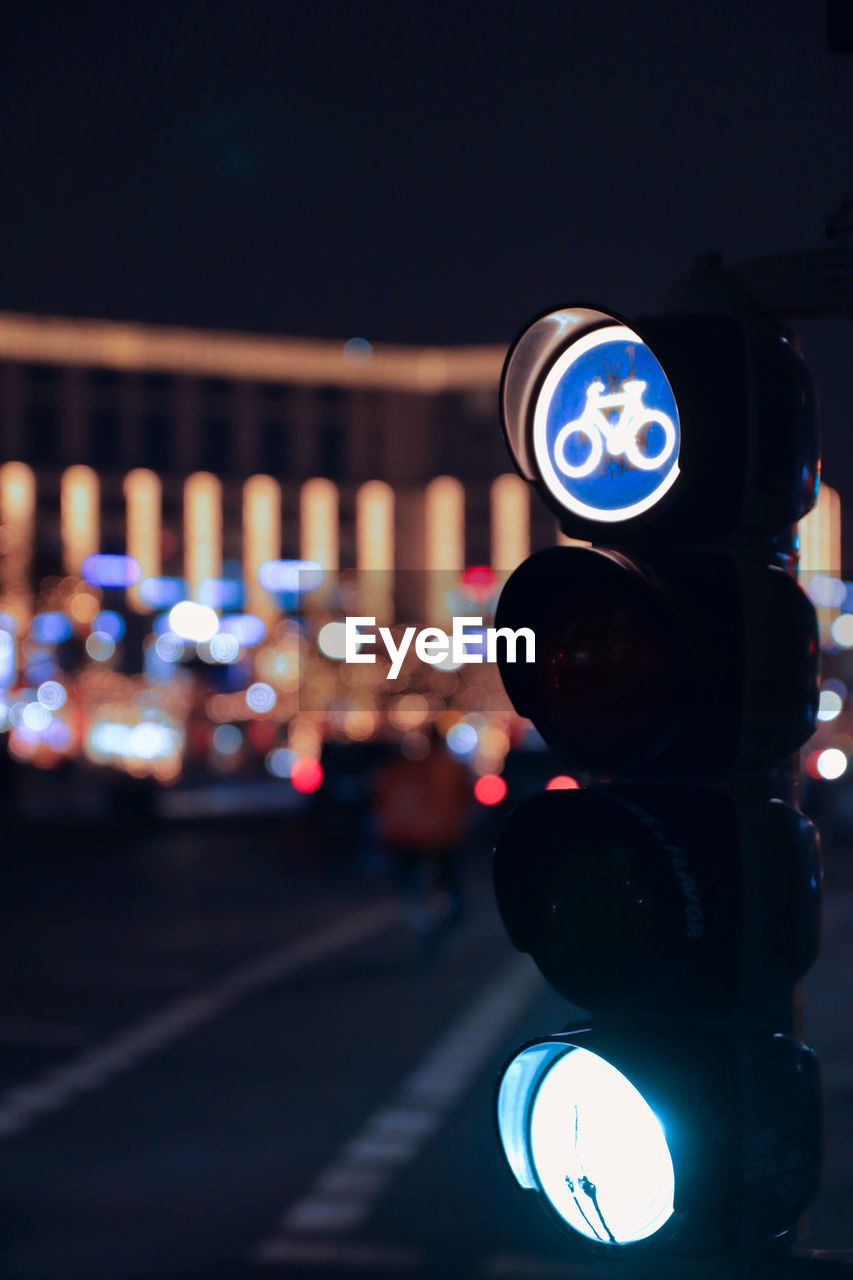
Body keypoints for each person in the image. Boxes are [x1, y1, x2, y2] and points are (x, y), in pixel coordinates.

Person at [372, 725, 473, 957]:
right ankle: (435, 926)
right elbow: (467, 798)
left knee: (415, 890)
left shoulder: (403, 768)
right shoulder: (452, 768)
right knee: (453, 896)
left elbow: (382, 794)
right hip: (443, 838)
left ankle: (422, 921)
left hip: (409, 839)